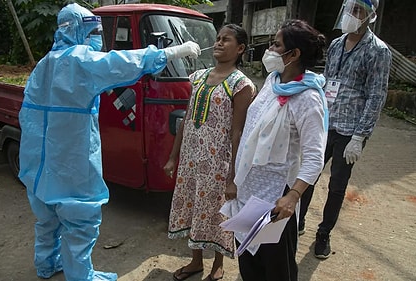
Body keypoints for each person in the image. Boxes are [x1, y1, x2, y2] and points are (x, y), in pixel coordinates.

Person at [18, 3, 200, 281]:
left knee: (47, 217)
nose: (96, 38)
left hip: (39, 158)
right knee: (79, 220)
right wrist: (172, 52)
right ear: (79, 30)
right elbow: (122, 63)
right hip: (70, 157)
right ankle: (80, 276)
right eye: (92, 31)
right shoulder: (80, 61)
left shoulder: (45, 63)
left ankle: (46, 264)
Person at [226, 19, 328, 281]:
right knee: (249, 260)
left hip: (275, 200)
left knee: (276, 269)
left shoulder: (308, 99)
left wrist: (293, 196)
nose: (269, 49)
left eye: (276, 44)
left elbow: (315, 157)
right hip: (249, 193)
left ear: (293, 55)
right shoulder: (272, 83)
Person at [298, 0, 392, 259]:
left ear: (370, 15)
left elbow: (376, 96)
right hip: (325, 122)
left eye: (359, 10)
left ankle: (323, 234)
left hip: (350, 130)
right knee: (309, 174)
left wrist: (360, 136)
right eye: (350, 9)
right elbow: (327, 81)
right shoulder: (337, 44)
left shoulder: (378, 51)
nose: (352, 15)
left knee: (337, 186)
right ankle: (299, 221)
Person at [164, 24, 255, 281]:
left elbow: (238, 132)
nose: (218, 43)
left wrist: (233, 177)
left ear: (240, 49)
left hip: (218, 164)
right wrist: (173, 157)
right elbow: (187, 119)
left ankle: (217, 264)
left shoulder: (241, 84)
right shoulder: (199, 77)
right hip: (192, 161)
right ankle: (195, 262)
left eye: (226, 40)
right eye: (217, 39)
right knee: (193, 208)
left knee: (217, 213)